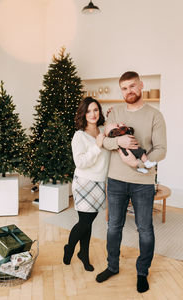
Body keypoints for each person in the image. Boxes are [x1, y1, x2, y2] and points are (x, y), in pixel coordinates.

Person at [96, 71, 167, 293]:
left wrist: (138, 164)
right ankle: (112, 266)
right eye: (125, 88)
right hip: (116, 180)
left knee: (145, 229)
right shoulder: (115, 112)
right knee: (113, 227)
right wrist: (119, 140)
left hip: (143, 182)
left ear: (141, 85)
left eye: (133, 86)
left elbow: (161, 150)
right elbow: (104, 141)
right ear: (121, 90)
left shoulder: (155, 115)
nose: (129, 91)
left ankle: (142, 272)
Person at [63, 97, 110, 271]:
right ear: (83, 113)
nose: (93, 114)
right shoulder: (79, 136)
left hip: (99, 183)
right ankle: (70, 247)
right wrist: (97, 147)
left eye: (96, 110)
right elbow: (80, 162)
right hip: (84, 183)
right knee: (84, 222)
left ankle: (83, 253)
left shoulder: (104, 131)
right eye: (89, 111)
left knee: (87, 222)